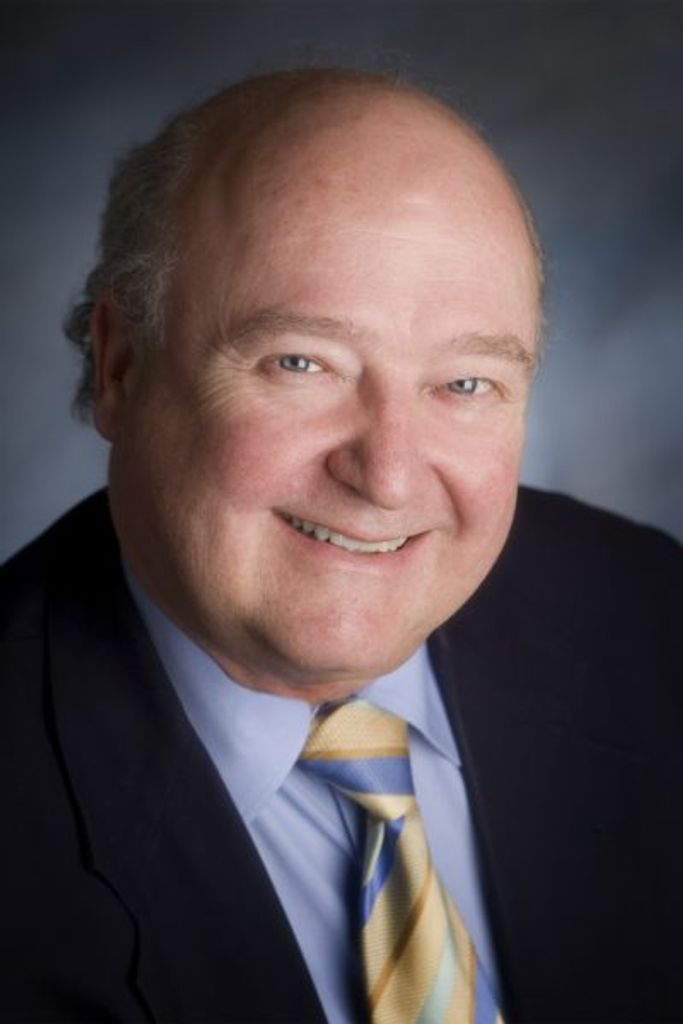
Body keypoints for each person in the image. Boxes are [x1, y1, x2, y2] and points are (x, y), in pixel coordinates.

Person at [0, 67, 680, 1024]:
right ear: (120, 365)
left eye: (466, 383)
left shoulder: (649, 616)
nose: (387, 477)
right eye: (301, 362)